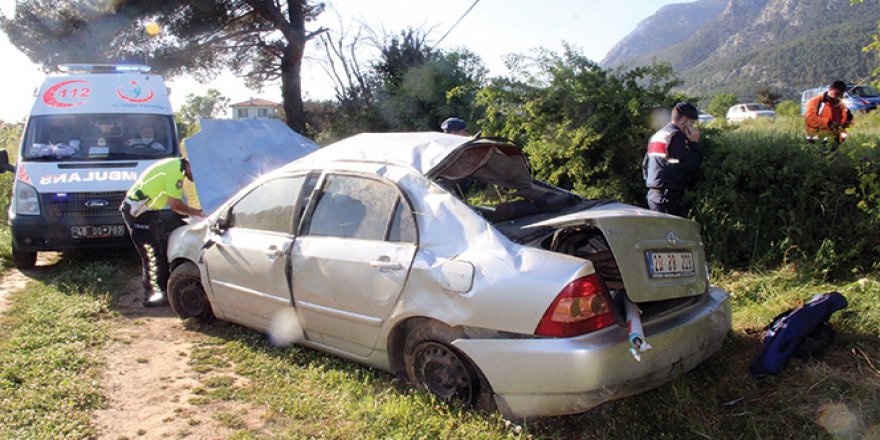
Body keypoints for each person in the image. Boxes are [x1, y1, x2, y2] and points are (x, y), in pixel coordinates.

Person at [120, 157, 203, 307]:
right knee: (152, 254)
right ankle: (152, 296)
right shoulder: (176, 171)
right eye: (197, 173)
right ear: (190, 164)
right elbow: (175, 204)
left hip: (148, 212)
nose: (195, 179)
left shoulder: (174, 165)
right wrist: (197, 212)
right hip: (138, 214)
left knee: (162, 248)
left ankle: (162, 291)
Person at [642, 102, 703, 217]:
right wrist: (694, 143)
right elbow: (690, 165)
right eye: (693, 122)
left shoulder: (658, 135)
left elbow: (645, 165)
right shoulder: (676, 137)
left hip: (653, 195)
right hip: (669, 198)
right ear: (684, 120)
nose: (694, 127)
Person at [805, 80, 853, 148]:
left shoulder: (840, 105)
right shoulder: (815, 101)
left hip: (833, 141)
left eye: (841, 95)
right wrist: (829, 123)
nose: (838, 96)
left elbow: (847, 121)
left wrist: (847, 122)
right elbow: (810, 119)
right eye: (837, 94)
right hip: (815, 141)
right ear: (830, 89)